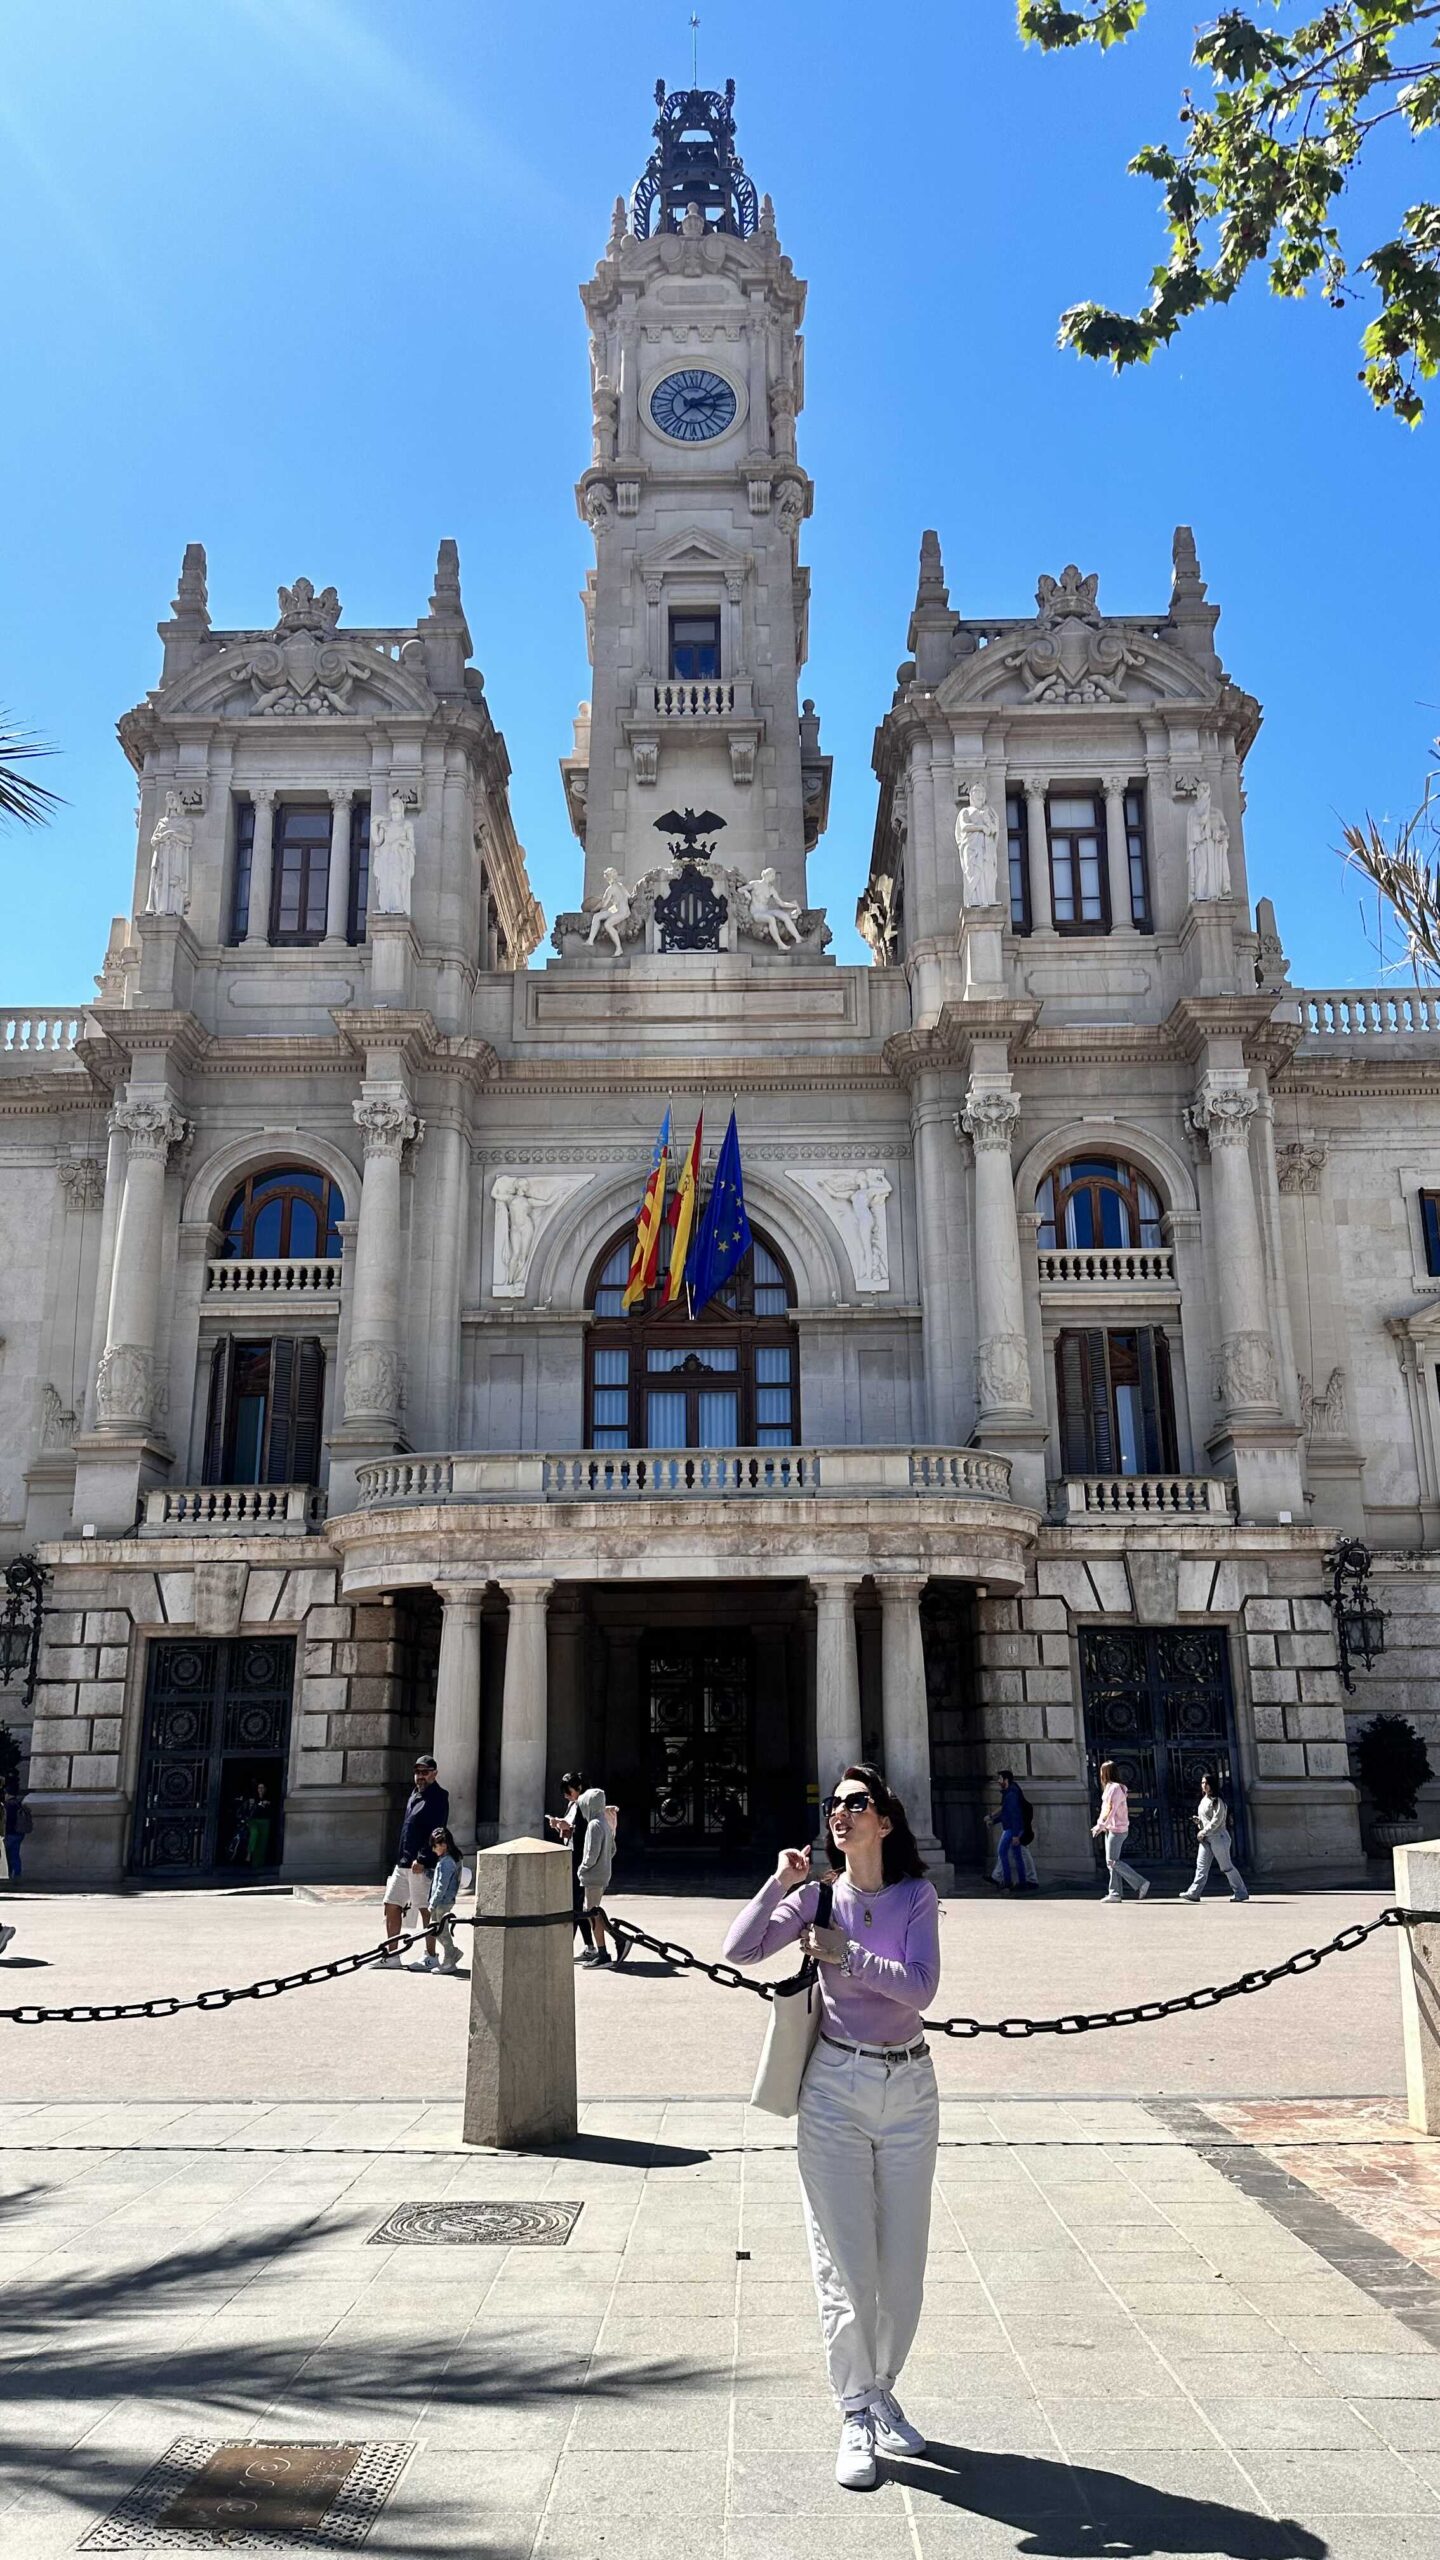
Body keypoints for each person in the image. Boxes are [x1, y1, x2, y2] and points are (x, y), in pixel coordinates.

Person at [723, 1762, 940, 2491]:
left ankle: (881, 2388)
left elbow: (920, 1988)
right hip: (835, 2086)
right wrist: (779, 1885)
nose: (840, 1814)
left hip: (910, 2085)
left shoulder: (915, 1896)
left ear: (884, 1821)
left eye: (857, 1804)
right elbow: (742, 1949)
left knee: (902, 2267)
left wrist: (849, 1954)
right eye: (835, 1805)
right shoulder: (817, 1897)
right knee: (845, 2263)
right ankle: (854, 2410)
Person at [382, 1755, 450, 1966]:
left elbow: (437, 1830)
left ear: (434, 1773)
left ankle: (430, 1956)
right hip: (403, 1862)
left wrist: (422, 1858)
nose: (420, 1776)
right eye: (418, 1772)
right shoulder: (414, 1794)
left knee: (425, 1909)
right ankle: (393, 1955)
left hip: (421, 1865)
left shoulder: (439, 1796)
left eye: (425, 1772)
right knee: (391, 1904)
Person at [1181, 1769, 1250, 1902]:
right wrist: (1199, 1822)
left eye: (1206, 1783)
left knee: (1226, 1867)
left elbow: (1217, 1821)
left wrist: (1203, 1831)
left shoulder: (1217, 1801)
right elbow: (1207, 1820)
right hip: (1206, 1838)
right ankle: (1194, 1892)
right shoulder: (1203, 1800)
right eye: (1202, 1783)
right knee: (1201, 1866)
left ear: (1212, 1784)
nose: (1204, 1785)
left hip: (1218, 1837)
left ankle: (1241, 1892)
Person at [1092, 1760, 1151, 1903]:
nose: (1100, 1774)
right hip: (1112, 1828)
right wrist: (1100, 1825)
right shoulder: (1111, 1788)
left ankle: (1140, 1883)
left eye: (1101, 1771)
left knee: (1112, 1861)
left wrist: (1100, 1825)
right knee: (1111, 1862)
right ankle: (1115, 1893)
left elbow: (1110, 1809)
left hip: (1117, 1829)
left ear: (1106, 1773)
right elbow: (1106, 1808)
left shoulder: (1115, 1788)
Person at [547, 1773, 593, 1955]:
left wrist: (566, 1826)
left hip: (580, 1859)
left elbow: (584, 1831)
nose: (566, 1795)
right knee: (577, 1904)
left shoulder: (586, 1805)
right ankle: (589, 1946)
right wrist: (561, 1826)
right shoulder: (573, 1805)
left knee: (577, 1904)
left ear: (579, 1789)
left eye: (568, 1791)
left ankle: (566, 1948)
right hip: (572, 1856)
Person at [412, 1827, 463, 1973]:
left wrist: (432, 1904)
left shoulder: (447, 1862)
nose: (434, 1850)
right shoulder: (446, 1860)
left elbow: (442, 1885)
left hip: (442, 1902)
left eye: (435, 1846)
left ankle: (449, 1960)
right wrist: (427, 1872)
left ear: (444, 1845)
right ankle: (452, 1953)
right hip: (443, 1901)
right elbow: (438, 1878)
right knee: (437, 1930)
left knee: (441, 1931)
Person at [986, 1768, 1029, 1891]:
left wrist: (1015, 1835)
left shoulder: (1011, 1795)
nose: (998, 1781)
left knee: (1003, 1852)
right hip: (1014, 1827)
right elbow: (1007, 1813)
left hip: (1012, 1828)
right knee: (1016, 1855)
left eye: (1000, 1779)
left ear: (1006, 1780)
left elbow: (1014, 1815)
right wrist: (994, 1821)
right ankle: (1021, 1882)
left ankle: (1008, 1881)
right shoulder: (1010, 1793)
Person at [3, 1778, 29, 1884]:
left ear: (7, 1794)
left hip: (10, 1833)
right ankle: (17, 1873)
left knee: (6, 1855)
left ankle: (7, 1873)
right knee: (15, 1854)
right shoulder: (19, 1804)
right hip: (19, 1833)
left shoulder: (8, 1806)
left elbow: (6, 1821)